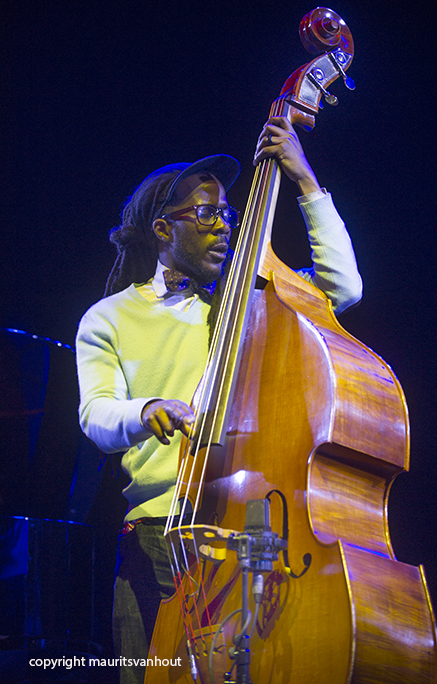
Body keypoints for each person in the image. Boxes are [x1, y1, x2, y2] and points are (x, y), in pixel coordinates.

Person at [76, 116, 362, 684]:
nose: (225, 227)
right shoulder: (109, 317)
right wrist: (146, 410)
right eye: (207, 215)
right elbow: (96, 415)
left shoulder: (253, 300)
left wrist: (305, 180)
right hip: (159, 532)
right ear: (163, 229)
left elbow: (344, 287)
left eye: (228, 214)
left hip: (249, 529)